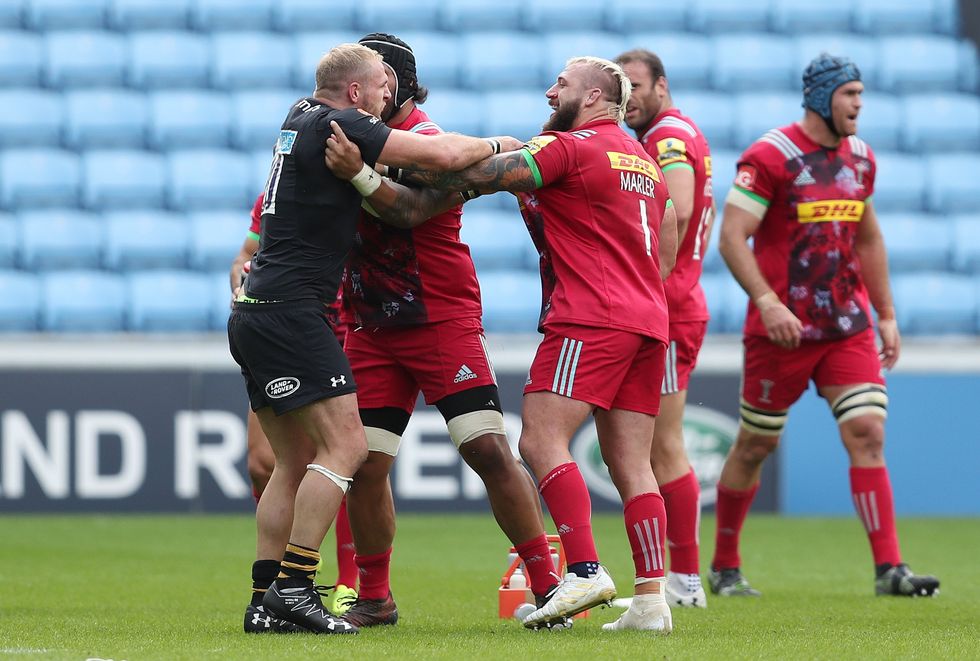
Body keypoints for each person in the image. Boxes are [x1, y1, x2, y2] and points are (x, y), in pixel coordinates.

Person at [326, 55, 680, 633]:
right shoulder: (643, 161)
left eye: (561, 85)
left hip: (589, 316)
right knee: (633, 464)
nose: (549, 93)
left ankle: (582, 569)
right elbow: (666, 242)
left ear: (592, 97)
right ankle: (650, 600)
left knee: (540, 439)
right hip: (647, 318)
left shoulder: (568, 147)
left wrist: (395, 165)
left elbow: (467, 178)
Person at [229, 42, 520, 636]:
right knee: (346, 448)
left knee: (291, 462)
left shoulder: (298, 115)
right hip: (295, 312)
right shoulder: (344, 123)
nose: (392, 97)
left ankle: (264, 597)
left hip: (254, 309)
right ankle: (297, 588)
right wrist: (504, 145)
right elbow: (440, 154)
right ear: (358, 93)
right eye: (382, 89)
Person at [312, 33, 560, 630]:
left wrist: (359, 178)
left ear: (388, 85)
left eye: (369, 79)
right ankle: (375, 595)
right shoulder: (357, 133)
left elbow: (410, 210)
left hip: (440, 317)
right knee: (366, 464)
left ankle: (551, 587)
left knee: (485, 449)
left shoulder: (428, 141)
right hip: (371, 322)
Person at [710, 53, 939, 598]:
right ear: (821, 98)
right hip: (782, 332)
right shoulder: (770, 156)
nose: (859, 104)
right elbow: (730, 236)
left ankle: (890, 570)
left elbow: (867, 237)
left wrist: (885, 313)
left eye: (861, 94)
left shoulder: (860, 158)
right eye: (850, 94)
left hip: (846, 326)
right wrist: (767, 302)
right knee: (754, 446)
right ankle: (725, 567)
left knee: (868, 433)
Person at [615, 48, 714, 609]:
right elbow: (710, 210)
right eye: (621, 87)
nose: (630, 97)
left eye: (636, 85)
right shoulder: (682, 133)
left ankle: (685, 580)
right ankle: (681, 578)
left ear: (661, 86)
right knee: (652, 446)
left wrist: (653, 284)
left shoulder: (667, 139)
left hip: (669, 307)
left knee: (663, 446)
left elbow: (674, 208)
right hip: (676, 302)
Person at [230, 192, 358, 618]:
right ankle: (279, 591)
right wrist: (240, 280)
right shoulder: (277, 194)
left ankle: (349, 583)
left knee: (351, 456)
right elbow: (246, 256)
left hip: (342, 334)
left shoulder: (367, 180)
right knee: (271, 463)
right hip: (292, 326)